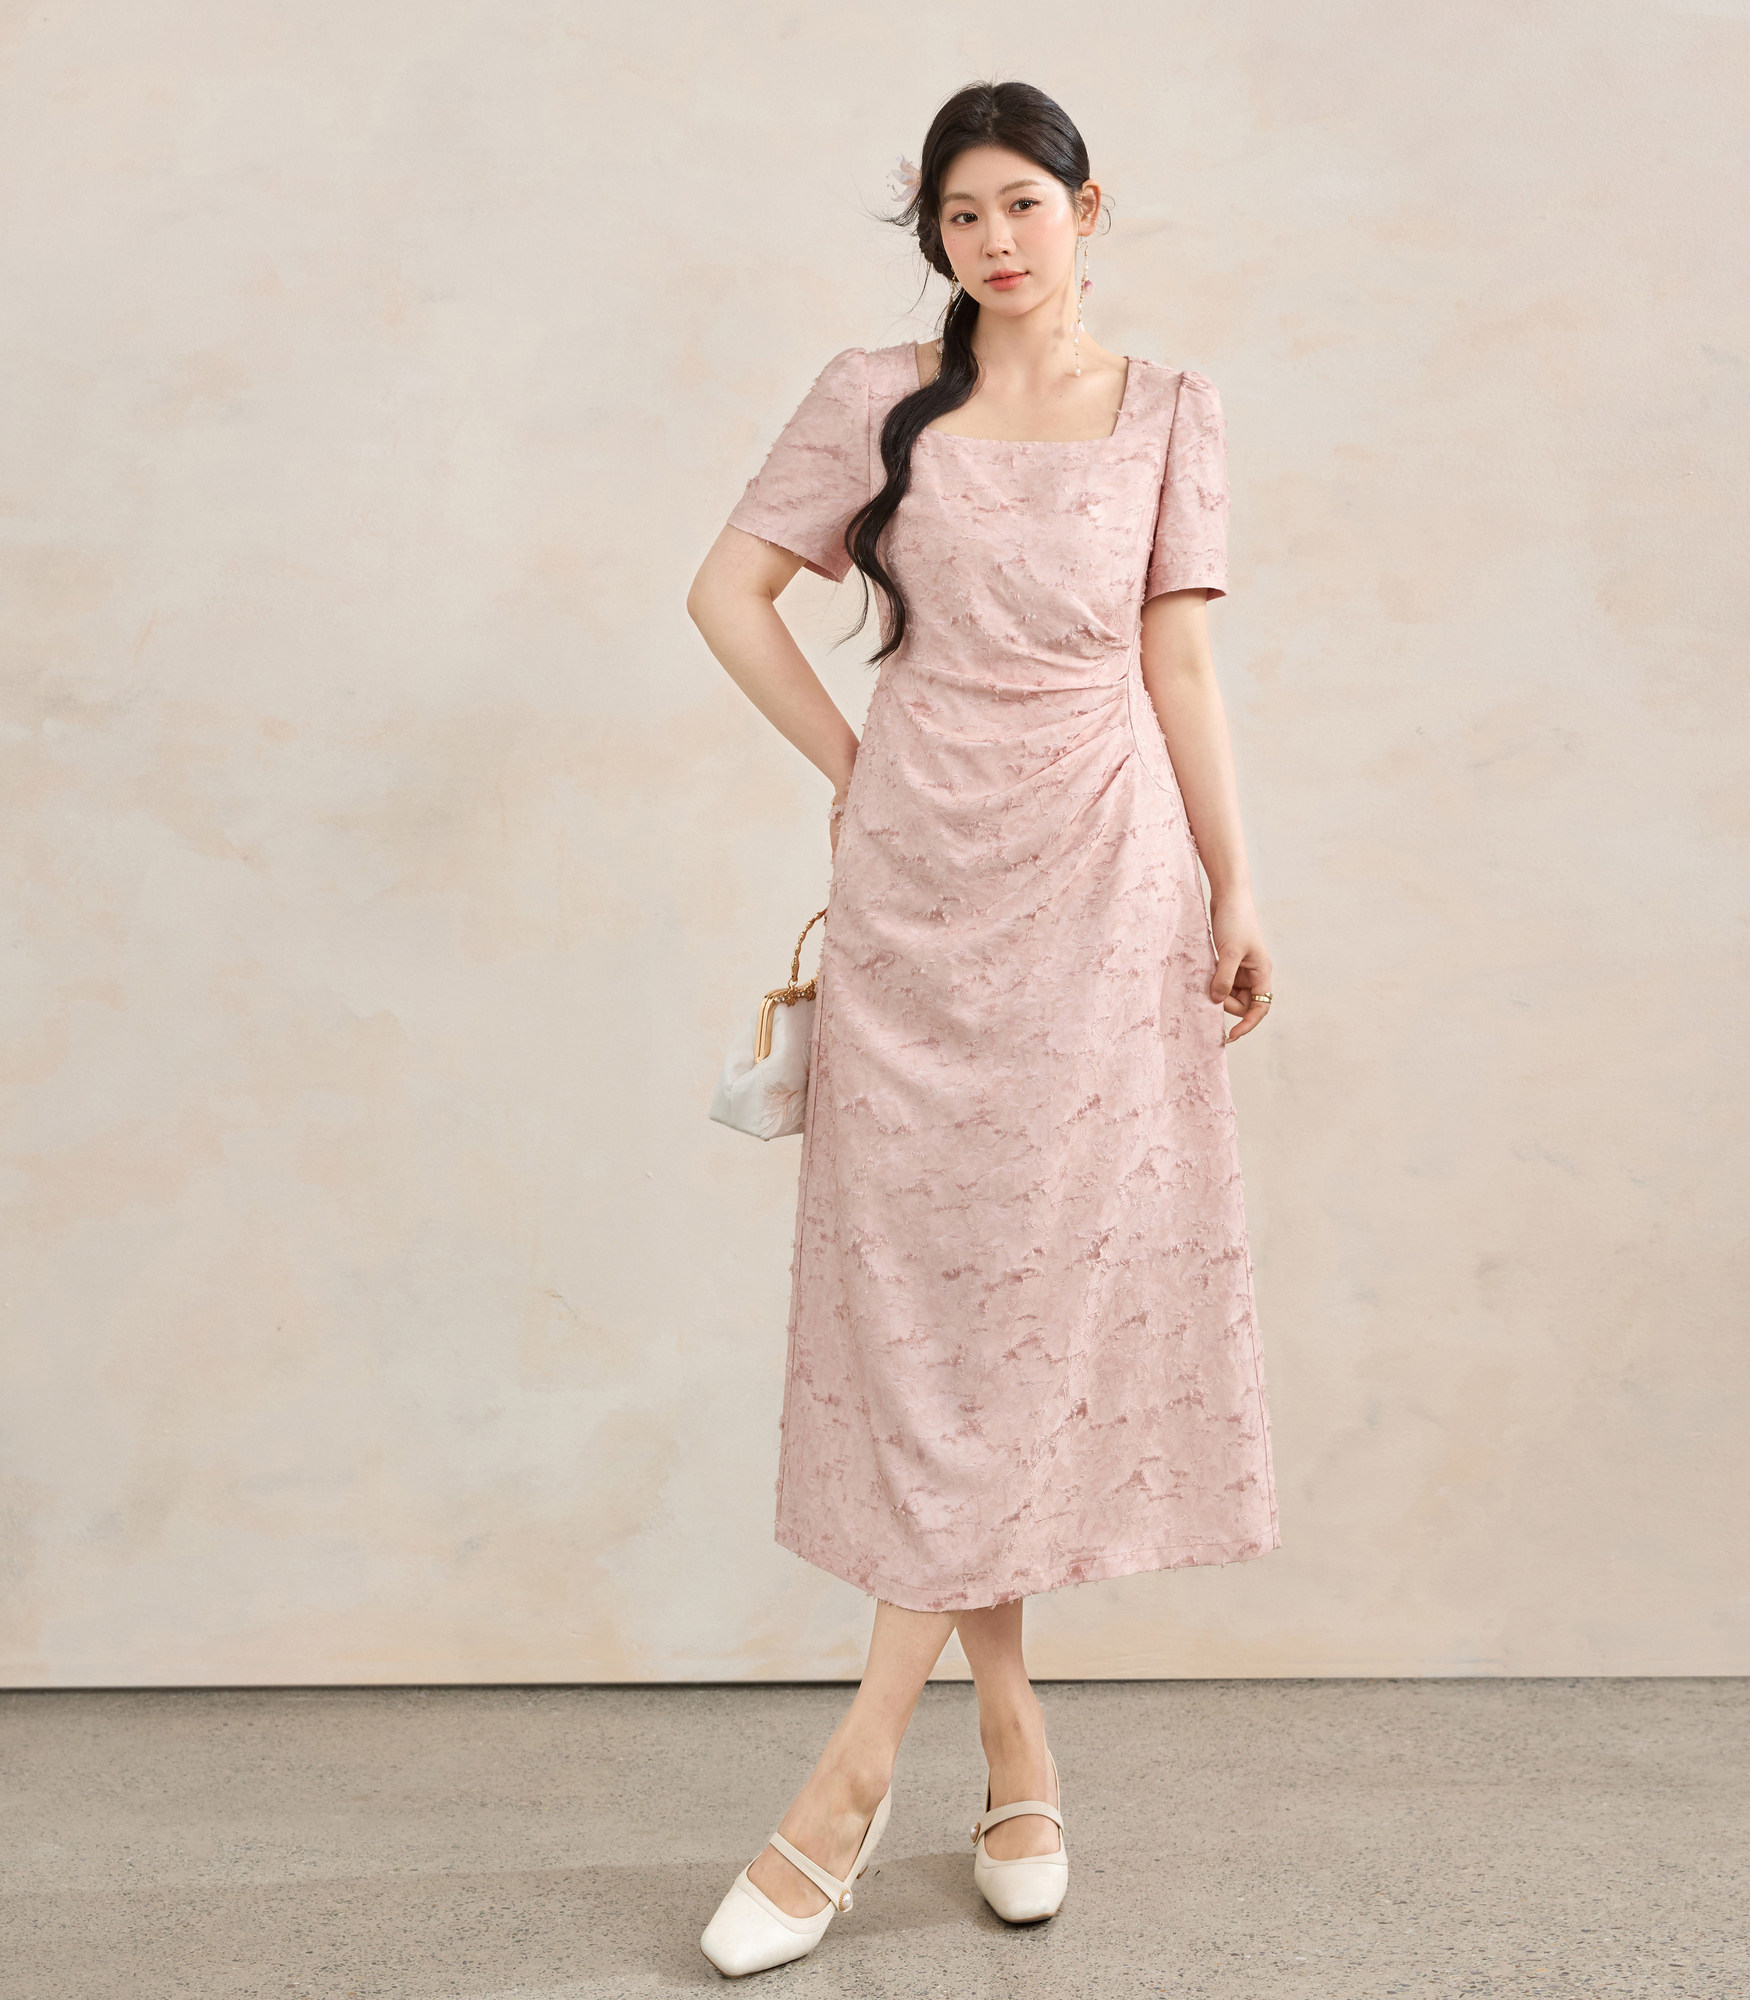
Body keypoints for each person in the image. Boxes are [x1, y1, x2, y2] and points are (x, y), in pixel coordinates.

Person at [684, 77, 1281, 1978]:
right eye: (960, 215)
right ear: (933, 236)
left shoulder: (1171, 409)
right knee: (940, 1310)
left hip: (1107, 876)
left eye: (1024, 203)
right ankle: (1014, 1741)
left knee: (1040, 1295)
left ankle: (853, 1775)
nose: (994, 240)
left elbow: (1180, 655)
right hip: (920, 883)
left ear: (1088, 211)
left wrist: (1237, 883)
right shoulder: (877, 396)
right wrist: (856, 768)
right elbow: (726, 594)